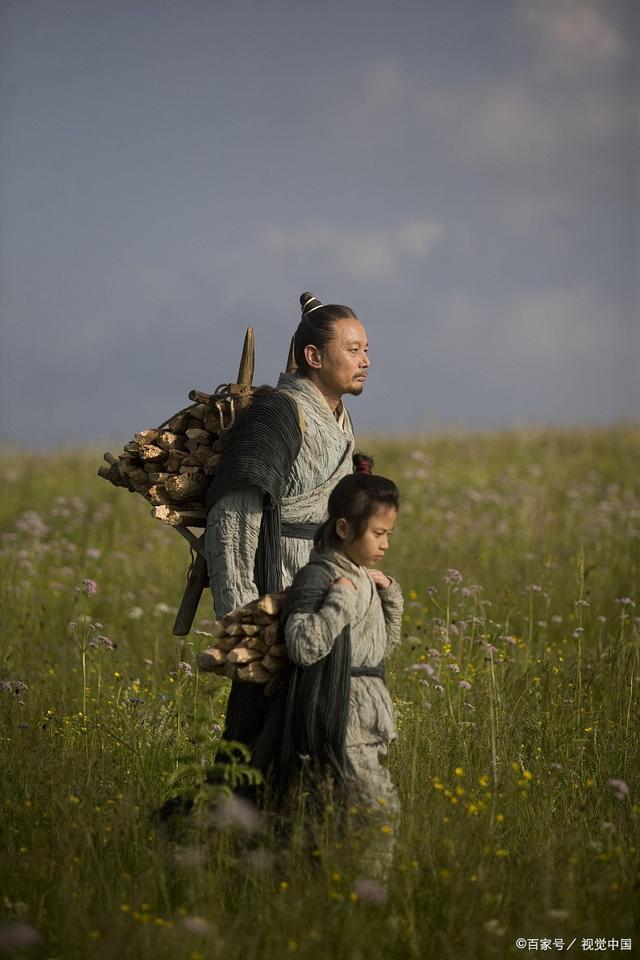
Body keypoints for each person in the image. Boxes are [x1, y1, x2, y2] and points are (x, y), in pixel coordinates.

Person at [204, 292, 370, 749]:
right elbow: (234, 517)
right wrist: (244, 621)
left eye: (366, 349)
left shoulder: (339, 421)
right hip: (273, 591)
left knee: (319, 731)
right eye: (353, 349)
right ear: (313, 357)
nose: (365, 361)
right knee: (257, 740)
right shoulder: (278, 413)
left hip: (321, 589)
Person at [253, 462, 403, 881]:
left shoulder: (362, 577)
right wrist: (339, 602)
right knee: (376, 812)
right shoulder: (319, 577)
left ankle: (337, 888)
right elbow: (303, 647)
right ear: (343, 528)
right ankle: (367, 893)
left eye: (389, 534)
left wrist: (390, 597)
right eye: (378, 533)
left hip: (368, 716)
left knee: (340, 817)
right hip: (339, 717)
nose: (385, 544)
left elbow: (380, 651)